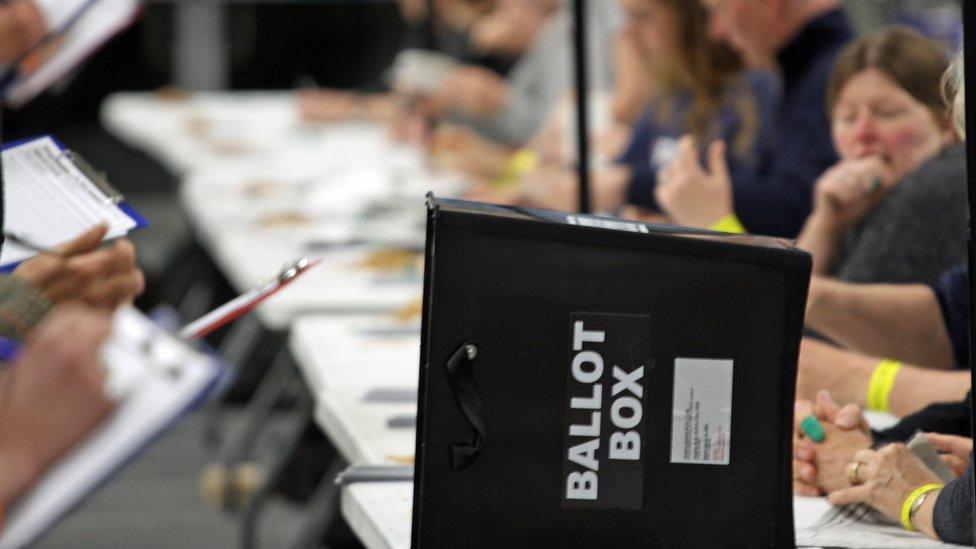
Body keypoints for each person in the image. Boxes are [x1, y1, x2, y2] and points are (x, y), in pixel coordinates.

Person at [655, 0, 853, 238]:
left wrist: (711, 219)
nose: (715, 31)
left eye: (719, 9)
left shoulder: (831, 78)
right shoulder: (801, 75)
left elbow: (792, 215)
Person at [794, 27, 961, 286]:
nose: (862, 133)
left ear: (946, 125)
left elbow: (798, 308)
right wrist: (825, 222)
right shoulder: (862, 202)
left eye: (886, 113)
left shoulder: (937, 184)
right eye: (848, 117)